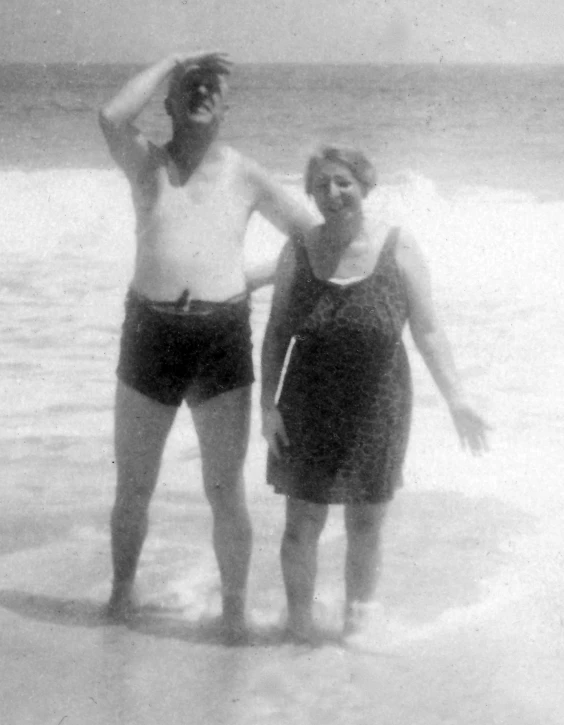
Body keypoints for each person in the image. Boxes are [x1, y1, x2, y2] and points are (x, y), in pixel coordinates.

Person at [98, 51, 315, 639]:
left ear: (226, 105)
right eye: (188, 87)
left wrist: (254, 276)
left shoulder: (245, 174)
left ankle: (235, 611)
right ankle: (121, 597)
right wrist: (172, 59)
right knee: (134, 485)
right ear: (168, 99)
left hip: (220, 338)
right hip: (150, 332)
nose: (199, 94)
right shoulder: (148, 163)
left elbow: (311, 236)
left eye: (210, 88)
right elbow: (112, 116)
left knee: (225, 490)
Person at [260, 145, 489, 643]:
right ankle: (298, 627)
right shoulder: (298, 249)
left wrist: (457, 399)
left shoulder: (398, 246)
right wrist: (267, 407)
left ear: (364, 185)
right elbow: (277, 332)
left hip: (378, 404)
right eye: (321, 185)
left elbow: (428, 330)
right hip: (307, 402)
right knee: (302, 524)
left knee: (365, 524)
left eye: (342, 181)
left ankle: (356, 629)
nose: (333, 193)